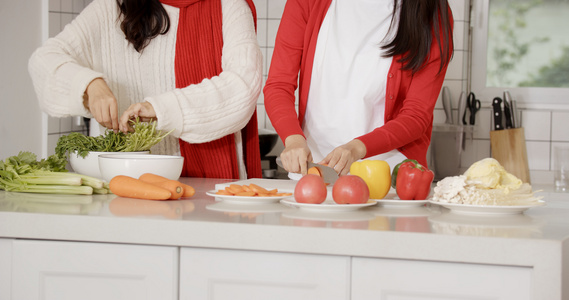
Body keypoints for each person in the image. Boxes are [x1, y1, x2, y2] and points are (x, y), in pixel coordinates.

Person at [28, 0, 263, 179]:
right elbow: (44, 60)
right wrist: (89, 85)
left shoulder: (229, 5)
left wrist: (160, 110)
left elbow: (242, 85)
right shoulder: (110, 9)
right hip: (123, 185)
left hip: (208, 189)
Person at [264, 0, 454, 177]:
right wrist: (293, 139)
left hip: (390, 177)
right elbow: (278, 86)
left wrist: (356, 148)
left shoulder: (430, 11)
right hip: (316, 169)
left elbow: (416, 115)